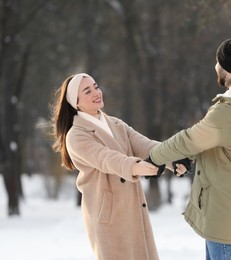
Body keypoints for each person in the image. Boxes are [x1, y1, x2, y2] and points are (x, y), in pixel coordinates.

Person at [148, 37, 231, 260]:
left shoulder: (228, 113)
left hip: (224, 209)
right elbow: (217, 139)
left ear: (227, 68)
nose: (215, 67)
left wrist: (153, 156)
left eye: (218, 62)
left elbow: (188, 139)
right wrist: (188, 158)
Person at [50, 73, 186, 260]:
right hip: (108, 215)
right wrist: (140, 167)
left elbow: (145, 145)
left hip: (133, 206)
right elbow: (107, 159)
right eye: (87, 91)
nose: (96, 92)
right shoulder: (76, 135)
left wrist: (172, 159)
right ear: (76, 102)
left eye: (96, 87)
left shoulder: (116, 124)